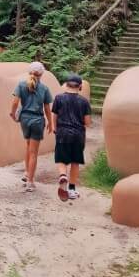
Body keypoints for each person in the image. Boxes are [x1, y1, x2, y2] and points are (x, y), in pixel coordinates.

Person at [10, 61, 53, 192]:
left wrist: (12, 114)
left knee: (28, 146)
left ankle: (26, 172)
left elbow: (15, 101)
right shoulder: (44, 88)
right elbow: (46, 108)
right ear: (41, 74)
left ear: (29, 72)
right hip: (37, 120)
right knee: (34, 152)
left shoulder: (21, 85)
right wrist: (51, 122)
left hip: (24, 119)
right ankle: (30, 181)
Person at [52, 73, 91, 201]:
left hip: (62, 132)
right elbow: (87, 122)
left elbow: (55, 116)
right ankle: (72, 189)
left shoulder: (58, 98)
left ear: (66, 85)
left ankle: (63, 175)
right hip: (78, 135)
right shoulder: (84, 102)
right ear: (80, 87)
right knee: (75, 162)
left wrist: (54, 128)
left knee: (62, 159)